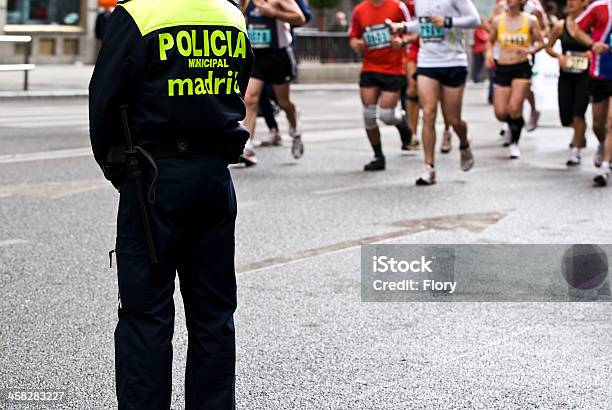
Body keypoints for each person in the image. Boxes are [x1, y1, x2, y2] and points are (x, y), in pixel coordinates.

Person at [88, 0, 253, 407]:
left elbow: (104, 99)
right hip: (214, 176)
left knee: (145, 313)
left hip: (153, 175)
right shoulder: (229, 14)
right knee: (214, 314)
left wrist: (117, 171)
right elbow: (238, 84)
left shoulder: (138, 13)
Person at [389, 0, 480, 185]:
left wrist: (447, 22)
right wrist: (403, 26)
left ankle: (464, 143)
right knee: (428, 113)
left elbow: (474, 20)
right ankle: (429, 168)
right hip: (428, 62)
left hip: (453, 61)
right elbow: (422, 24)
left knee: (454, 119)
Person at [241, 0, 306, 166]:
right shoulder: (247, 1)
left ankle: (295, 128)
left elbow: (300, 18)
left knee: (283, 102)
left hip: (279, 56)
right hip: (257, 55)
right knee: (250, 98)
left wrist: (274, 13)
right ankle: (247, 147)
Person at [349, 0, 412, 171]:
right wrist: (357, 44)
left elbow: (412, 30)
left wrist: (401, 41)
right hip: (370, 67)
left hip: (393, 69)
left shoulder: (397, 6)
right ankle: (378, 155)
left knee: (386, 115)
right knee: (368, 115)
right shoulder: (360, 10)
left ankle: (401, 122)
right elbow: (353, 37)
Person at [486, 0, 545, 159]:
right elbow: (489, 41)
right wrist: (489, 54)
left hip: (522, 67)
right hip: (503, 67)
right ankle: (517, 122)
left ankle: (514, 143)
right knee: (500, 112)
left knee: (514, 107)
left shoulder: (530, 20)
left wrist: (530, 49)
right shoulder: (498, 20)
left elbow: (541, 41)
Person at [546, 0, 590, 166]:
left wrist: (590, 53)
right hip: (566, 75)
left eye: (575, 0)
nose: (571, 3)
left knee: (579, 113)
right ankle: (580, 132)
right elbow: (548, 47)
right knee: (566, 116)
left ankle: (576, 150)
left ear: (584, 3)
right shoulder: (560, 26)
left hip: (585, 76)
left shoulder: (590, 25)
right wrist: (559, 57)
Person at [574, 0, 612, 186]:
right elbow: (576, 27)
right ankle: (603, 144)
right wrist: (592, 44)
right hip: (600, 73)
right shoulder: (599, 7)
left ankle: (605, 166)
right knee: (598, 123)